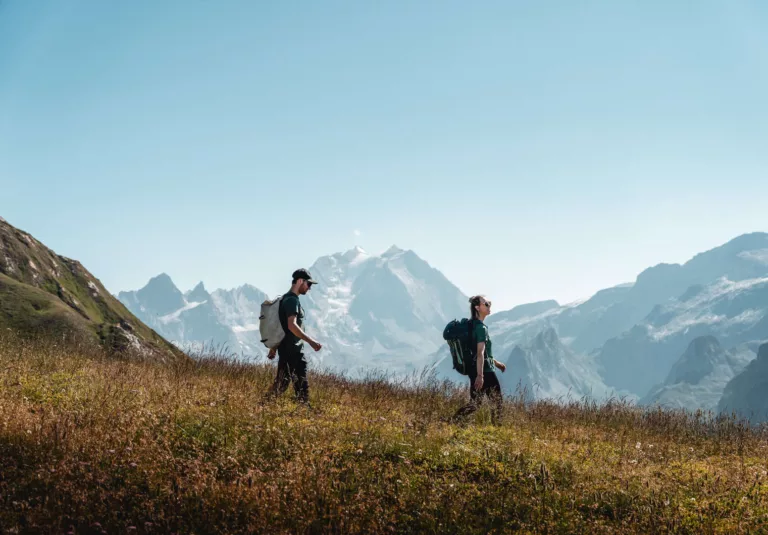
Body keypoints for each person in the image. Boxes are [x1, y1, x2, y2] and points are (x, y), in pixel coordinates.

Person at [265, 268, 323, 405]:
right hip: (293, 350)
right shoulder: (292, 301)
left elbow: (280, 326)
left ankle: (261, 408)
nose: (309, 288)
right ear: (300, 281)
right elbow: (291, 326)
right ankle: (305, 413)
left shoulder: (284, 299)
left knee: (281, 385)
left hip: (285, 350)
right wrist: (311, 342)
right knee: (301, 387)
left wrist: (274, 347)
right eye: (308, 284)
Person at [453, 295, 506, 424]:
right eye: (486, 304)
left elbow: (480, 352)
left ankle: (451, 421)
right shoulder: (481, 328)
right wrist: (480, 375)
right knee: (497, 403)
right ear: (477, 308)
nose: (489, 306)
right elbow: (480, 352)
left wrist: (497, 363)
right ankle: (496, 430)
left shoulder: (472, 325)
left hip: (474, 369)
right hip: (485, 371)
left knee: (475, 404)